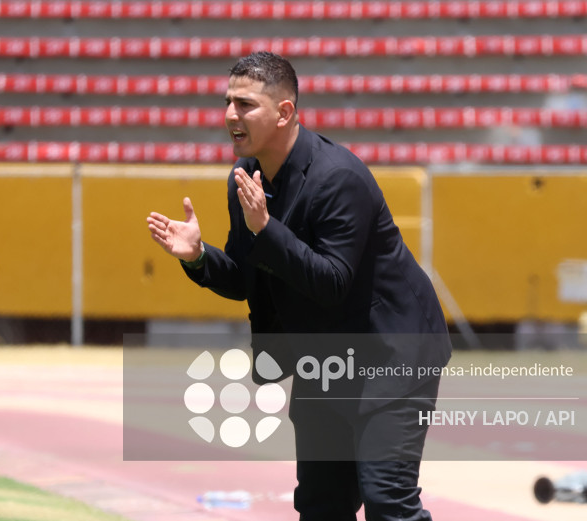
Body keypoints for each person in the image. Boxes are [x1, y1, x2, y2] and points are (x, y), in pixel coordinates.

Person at [147, 51, 452, 521]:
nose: (231, 115)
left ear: (284, 112)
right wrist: (200, 256)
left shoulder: (339, 178)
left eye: (245, 104)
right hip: (324, 359)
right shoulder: (245, 180)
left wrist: (266, 230)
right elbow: (251, 279)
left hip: (393, 353)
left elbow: (331, 282)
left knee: (388, 499)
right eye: (228, 102)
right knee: (320, 504)